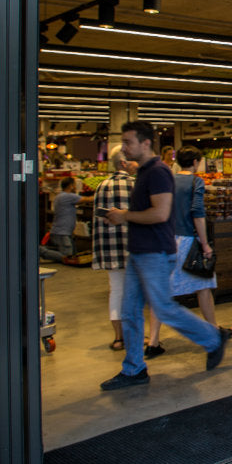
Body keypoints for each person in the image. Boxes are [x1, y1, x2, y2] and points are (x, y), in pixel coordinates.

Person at [100, 121, 228, 391]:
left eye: (128, 142)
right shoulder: (146, 171)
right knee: (131, 311)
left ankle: (212, 338)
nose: (124, 148)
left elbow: (160, 213)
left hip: (155, 252)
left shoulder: (158, 173)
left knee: (163, 307)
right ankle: (134, 368)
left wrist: (123, 216)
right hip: (139, 252)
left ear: (145, 144)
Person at [146, 146, 232, 359]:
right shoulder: (196, 182)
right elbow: (197, 213)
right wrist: (205, 244)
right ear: (195, 162)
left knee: (161, 292)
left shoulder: (166, 180)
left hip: (162, 240)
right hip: (186, 240)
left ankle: (153, 341)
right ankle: (213, 331)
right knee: (203, 285)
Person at [92, 146, 137, 351]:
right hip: (134, 246)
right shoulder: (135, 184)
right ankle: (137, 335)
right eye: (133, 160)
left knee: (116, 291)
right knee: (134, 293)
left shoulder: (101, 185)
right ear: (123, 163)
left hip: (109, 247)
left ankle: (119, 338)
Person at [39, 176, 93, 262]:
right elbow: (87, 199)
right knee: (67, 257)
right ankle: (40, 251)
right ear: (71, 185)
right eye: (75, 185)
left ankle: (42, 250)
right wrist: (100, 193)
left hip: (61, 231)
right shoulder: (67, 196)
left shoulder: (59, 196)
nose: (75, 187)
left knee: (70, 255)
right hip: (62, 232)